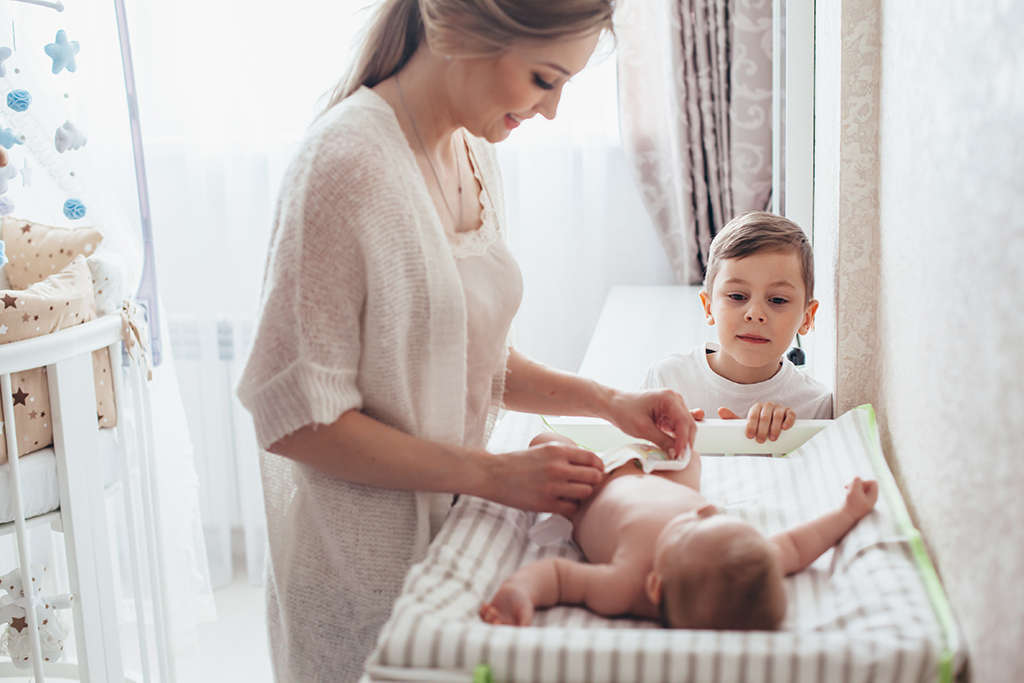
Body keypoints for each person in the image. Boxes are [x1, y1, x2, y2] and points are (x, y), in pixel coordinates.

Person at [235, 1, 698, 679]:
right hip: (363, 584)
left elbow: (460, 357)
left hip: (447, 550)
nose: (552, 111)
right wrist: (492, 475)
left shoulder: (471, 149)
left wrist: (607, 400)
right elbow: (296, 420)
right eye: (545, 79)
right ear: (465, 33)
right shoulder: (346, 166)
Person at [480, 431, 879, 628]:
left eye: (693, 525)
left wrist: (519, 591)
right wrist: (847, 513)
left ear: (655, 585)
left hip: (595, 489)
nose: (702, 514)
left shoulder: (622, 585)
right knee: (689, 455)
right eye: (713, 518)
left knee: (547, 443)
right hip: (674, 488)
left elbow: (556, 576)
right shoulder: (745, 561)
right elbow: (796, 544)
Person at [643, 211, 832, 444]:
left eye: (778, 300)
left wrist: (779, 445)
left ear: (807, 318)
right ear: (709, 307)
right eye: (737, 296)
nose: (755, 314)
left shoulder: (815, 405)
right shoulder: (668, 380)